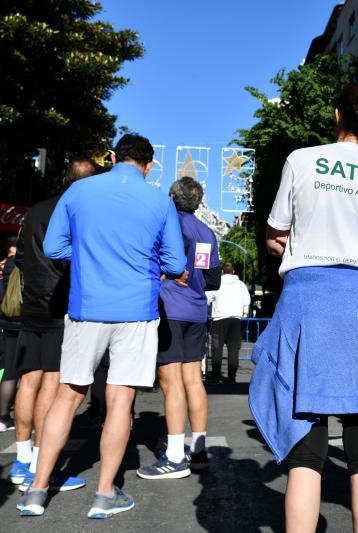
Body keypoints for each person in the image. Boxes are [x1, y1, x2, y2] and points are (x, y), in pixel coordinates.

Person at [248, 80, 358, 533]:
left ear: (336, 116)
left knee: (305, 449)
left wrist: (288, 246)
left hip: (309, 304)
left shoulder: (301, 160)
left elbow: (276, 234)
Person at [18, 133, 187, 518]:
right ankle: (104, 495)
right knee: (120, 399)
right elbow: (176, 265)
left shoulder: (79, 193)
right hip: (136, 310)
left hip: (85, 305)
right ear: (149, 165)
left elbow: (54, 248)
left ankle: (37, 489)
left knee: (68, 395)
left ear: (113, 157)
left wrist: (89, 257)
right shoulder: (159, 200)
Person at [10, 157, 98, 491]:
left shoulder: (35, 210)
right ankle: (37, 466)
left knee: (28, 380)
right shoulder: (80, 212)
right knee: (53, 382)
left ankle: (21, 459)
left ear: (64, 178)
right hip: (61, 302)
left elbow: (20, 257)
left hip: (31, 302)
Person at [137, 176, 220, 480]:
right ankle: (198, 450)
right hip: (197, 311)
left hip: (170, 307)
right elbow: (213, 280)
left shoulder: (166, 225)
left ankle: (174, 456)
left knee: (170, 383)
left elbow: (153, 264)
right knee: (193, 380)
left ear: (171, 196)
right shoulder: (207, 232)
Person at [205, 261, 250, 384]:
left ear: (222, 271)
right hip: (235, 320)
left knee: (216, 348)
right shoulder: (241, 285)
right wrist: (243, 314)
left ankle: (215, 376)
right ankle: (231, 377)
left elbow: (207, 298)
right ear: (234, 271)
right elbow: (247, 302)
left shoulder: (216, 283)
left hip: (218, 321)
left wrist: (210, 309)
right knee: (233, 350)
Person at [1, 236, 20, 432]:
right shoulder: (28, 263)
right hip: (26, 321)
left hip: (8, 321)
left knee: (10, 370)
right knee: (32, 374)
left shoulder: (6, 265)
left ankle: (3, 416)